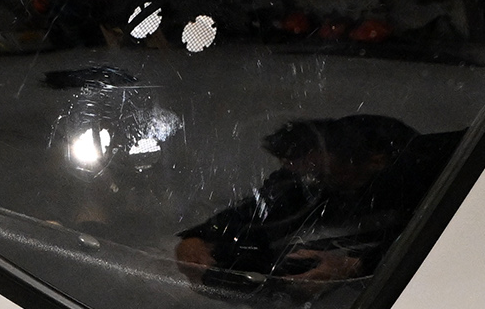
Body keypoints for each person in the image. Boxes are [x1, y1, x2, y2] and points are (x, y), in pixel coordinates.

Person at [172, 114, 463, 298]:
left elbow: (448, 233)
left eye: (318, 168)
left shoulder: (437, 174)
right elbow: (260, 210)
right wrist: (198, 238)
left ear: (375, 161)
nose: (307, 178)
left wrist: (355, 266)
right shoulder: (309, 181)